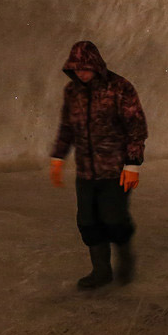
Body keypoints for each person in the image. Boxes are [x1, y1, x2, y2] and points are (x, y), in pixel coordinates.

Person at [49, 40, 148, 289]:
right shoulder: (72, 92)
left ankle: (125, 258)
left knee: (114, 219)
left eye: (85, 68)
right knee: (88, 221)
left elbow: (136, 127)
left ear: (96, 65)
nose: (80, 73)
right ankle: (101, 270)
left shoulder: (120, 88)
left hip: (114, 170)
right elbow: (67, 127)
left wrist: (132, 163)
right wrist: (58, 157)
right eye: (76, 69)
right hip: (85, 171)